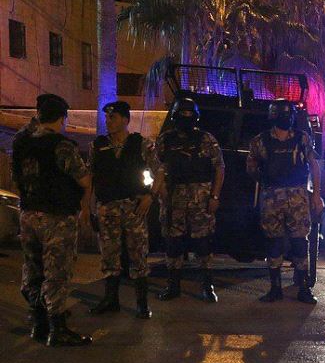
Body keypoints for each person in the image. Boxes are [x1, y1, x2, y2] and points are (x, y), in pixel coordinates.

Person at [12, 94, 92, 346]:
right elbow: (84, 179)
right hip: (56, 218)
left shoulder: (20, 141)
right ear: (61, 118)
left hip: (27, 213)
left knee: (33, 269)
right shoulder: (62, 146)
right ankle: (57, 329)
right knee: (57, 272)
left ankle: (38, 322)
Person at [88, 101, 162, 319]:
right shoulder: (97, 146)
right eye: (107, 118)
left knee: (138, 254)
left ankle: (141, 303)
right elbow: (91, 177)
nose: (109, 122)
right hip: (107, 207)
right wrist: (89, 208)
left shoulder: (141, 144)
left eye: (113, 118)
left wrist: (151, 196)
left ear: (125, 120)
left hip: (133, 207)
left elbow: (160, 171)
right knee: (109, 256)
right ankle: (111, 300)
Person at [246, 99, 323, 304]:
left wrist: (316, 195)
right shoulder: (261, 141)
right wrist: (266, 182)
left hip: (297, 197)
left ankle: (304, 288)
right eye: (283, 115)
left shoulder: (302, 139)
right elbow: (252, 167)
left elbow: (314, 166)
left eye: (290, 115)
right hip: (272, 197)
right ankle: (275, 288)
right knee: (274, 242)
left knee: (300, 242)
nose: (287, 119)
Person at [155, 98, 225, 303]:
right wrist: (161, 193)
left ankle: (207, 286)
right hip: (173, 198)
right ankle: (173, 285)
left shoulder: (206, 139)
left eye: (189, 116)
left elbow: (219, 167)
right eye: (182, 116)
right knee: (173, 243)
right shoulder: (165, 140)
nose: (186, 120)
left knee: (203, 243)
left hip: (200, 198)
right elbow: (156, 167)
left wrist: (214, 196)